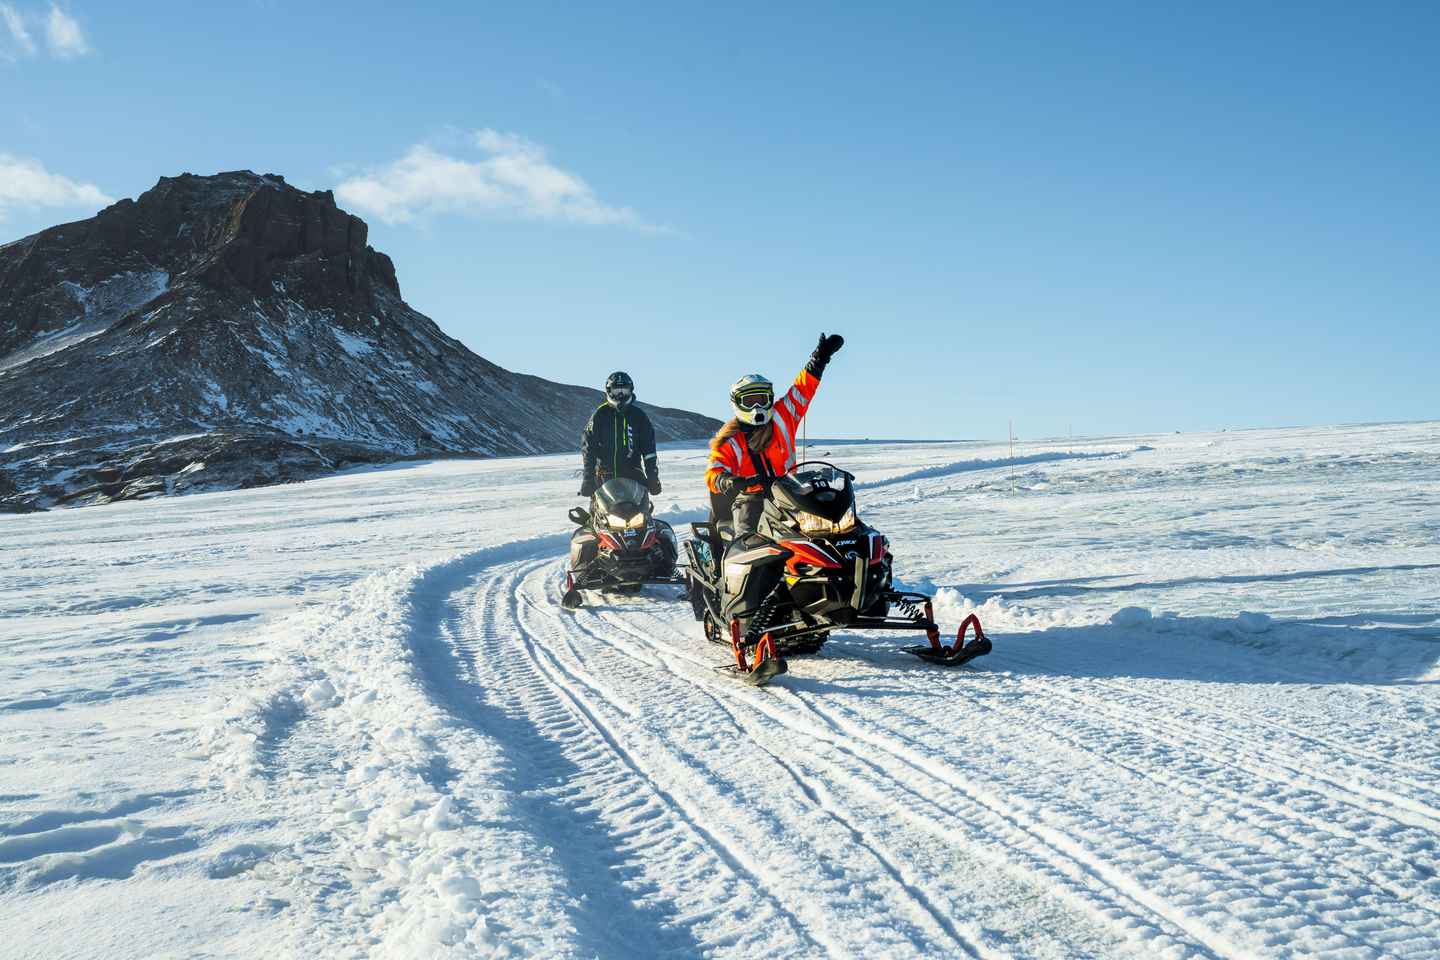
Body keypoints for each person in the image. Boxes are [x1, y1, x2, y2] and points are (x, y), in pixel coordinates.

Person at [705, 332, 844, 534]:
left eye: (762, 399)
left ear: (770, 399)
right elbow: (714, 470)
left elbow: (802, 390)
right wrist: (725, 480)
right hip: (752, 502)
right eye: (750, 401)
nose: (757, 406)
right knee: (750, 547)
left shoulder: (782, 418)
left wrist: (819, 359)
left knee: (828, 533)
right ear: (737, 404)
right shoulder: (730, 442)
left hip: (791, 497)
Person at [579, 371, 661, 498]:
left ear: (631, 390)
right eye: (617, 390)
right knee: (598, 514)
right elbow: (589, 449)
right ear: (609, 391)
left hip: (634, 476)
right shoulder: (600, 415)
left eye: (625, 390)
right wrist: (588, 478)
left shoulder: (639, 416)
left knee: (643, 513)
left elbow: (649, 450)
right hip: (604, 477)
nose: (621, 394)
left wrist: (652, 477)